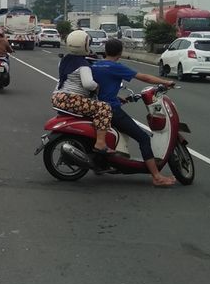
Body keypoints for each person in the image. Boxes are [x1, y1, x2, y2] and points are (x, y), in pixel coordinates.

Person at [91, 38, 177, 187]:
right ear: (120, 52)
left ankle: (101, 164)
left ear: (105, 50)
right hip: (111, 110)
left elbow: (100, 88)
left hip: (97, 107)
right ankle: (157, 176)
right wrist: (165, 82)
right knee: (143, 138)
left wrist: (118, 98)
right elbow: (143, 77)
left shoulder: (96, 64)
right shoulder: (115, 67)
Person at [51, 30, 113, 153]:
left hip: (58, 96)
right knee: (105, 108)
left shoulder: (64, 60)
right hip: (71, 99)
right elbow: (88, 84)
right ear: (85, 45)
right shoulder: (83, 64)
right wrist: (97, 87)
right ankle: (100, 143)